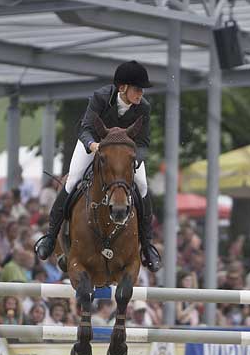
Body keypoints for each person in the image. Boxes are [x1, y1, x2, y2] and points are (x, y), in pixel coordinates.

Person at [34, 60, 160, 272]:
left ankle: (147, 246)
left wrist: (130, 161)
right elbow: (85, 128)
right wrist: (93, 145)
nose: (141, 94)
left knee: (143, 186)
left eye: (142, 90)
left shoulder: (144, 108)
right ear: (123, 87)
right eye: (137, 89)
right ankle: (50, 236)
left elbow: (144, 143)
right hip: (94, 146)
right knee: (73, 179)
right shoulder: (100, 97)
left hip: (125, 155)